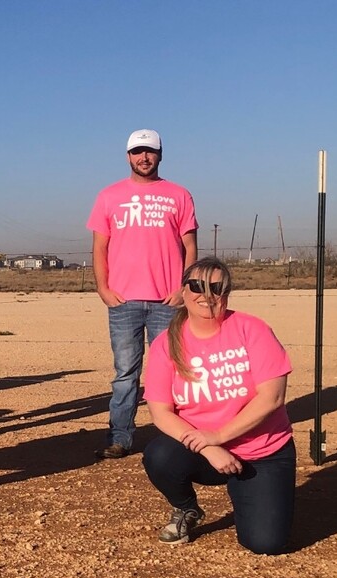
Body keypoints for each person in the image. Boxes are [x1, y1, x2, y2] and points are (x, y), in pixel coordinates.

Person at [141, 258, 294, 554]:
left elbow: (272, 397)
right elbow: (160, 412)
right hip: (204, 451)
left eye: (216, 287)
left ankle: (254, 493)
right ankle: (186, 508)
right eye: (197, 286)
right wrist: (209, 447)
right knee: (160, 456)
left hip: (262, 451)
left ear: (227, 292)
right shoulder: (166, 343)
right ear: (183, 291)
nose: (207, 295)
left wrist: (219, 436)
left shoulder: (253, 329)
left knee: (265, 543)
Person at [87, 129, 198, 459]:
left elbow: (190, 247)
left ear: (160, 155)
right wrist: (103, 288)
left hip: (167, 301)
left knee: (173, 371)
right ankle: (120, 437)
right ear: (128, 156)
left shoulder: (179, 195)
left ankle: (177, 437)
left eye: (150, 151)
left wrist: (184, 288)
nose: (144, 157)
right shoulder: (109, 196)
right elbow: (99, 246)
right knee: (125, 373)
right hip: (124, 301)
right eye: (137, 152)